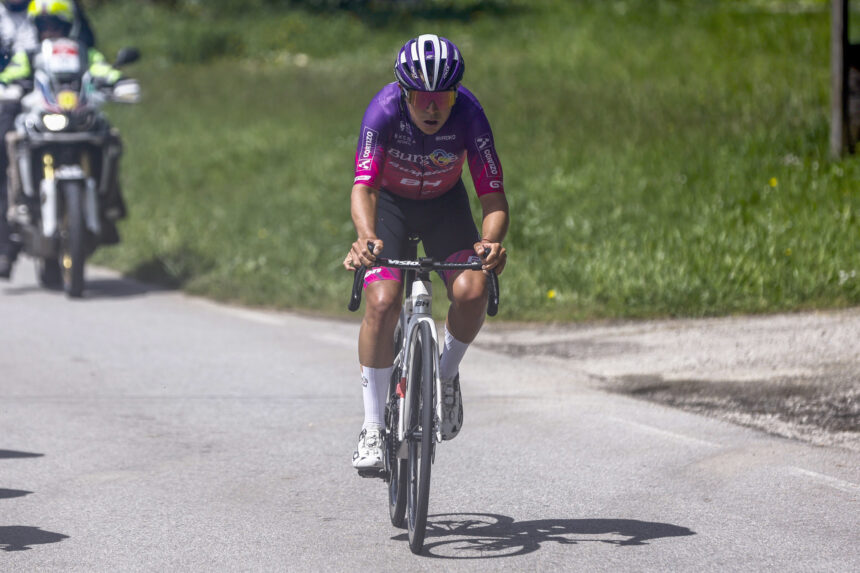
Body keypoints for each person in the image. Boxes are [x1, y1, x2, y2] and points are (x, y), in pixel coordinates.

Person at [344, 34, 509, 470]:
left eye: (443, 97)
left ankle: (446, 374)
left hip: (445, 207)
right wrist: (365, 237)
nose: (432, 108)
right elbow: (364, 185)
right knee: (382, 301)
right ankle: (373, 426)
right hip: (392, 210)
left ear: (455, 94)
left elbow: (492, 197)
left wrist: (490, 242)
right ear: (404, 93)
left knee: (473, 290)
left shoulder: (470, 116)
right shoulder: (382, 111)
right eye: (421, 97)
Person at [0, 0, 118, 279]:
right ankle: (9, 240)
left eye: (56, 26)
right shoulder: (27, 54)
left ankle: (110, 206)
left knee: (110, 139)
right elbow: (13, 72)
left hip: (71, 106)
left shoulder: (69, 26)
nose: (50, 31)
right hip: (23, 103)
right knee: (8, 150)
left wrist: (116, 81)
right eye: (44, 26)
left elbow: (93, 58)